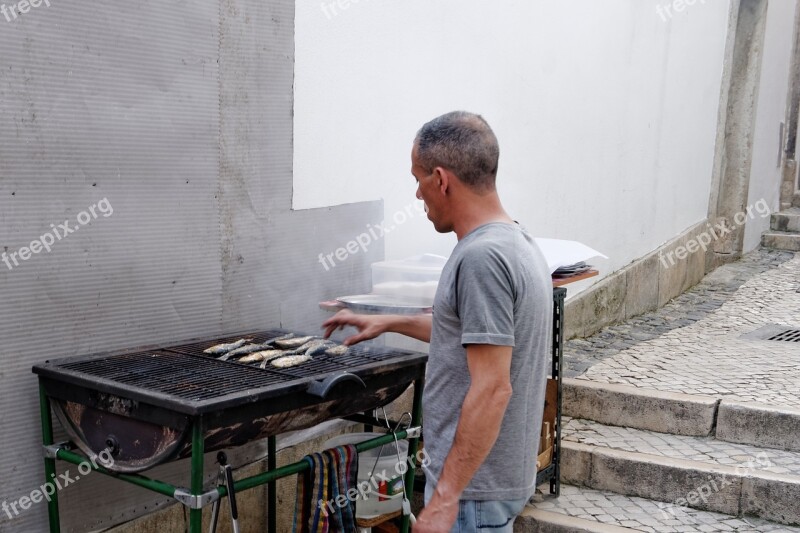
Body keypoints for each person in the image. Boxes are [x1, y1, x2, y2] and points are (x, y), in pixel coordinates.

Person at [322, 111, 552, 533]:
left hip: (472, 494)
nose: (416, 194)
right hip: (492, 484)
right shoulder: (518, 242)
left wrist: (446, 498)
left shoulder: (482, 259)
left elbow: (493, 388)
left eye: (419, 178)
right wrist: (387, 322)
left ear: (442, 180)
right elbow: (471, 334)